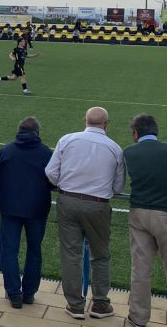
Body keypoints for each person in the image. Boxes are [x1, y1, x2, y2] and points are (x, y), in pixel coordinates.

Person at [44, 107, 124, 320]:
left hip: (68, 200)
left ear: (85, 121)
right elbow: (119, 187)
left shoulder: (67, 140)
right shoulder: (115, 148)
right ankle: (99, 303)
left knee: (71, 254)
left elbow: (51, 173)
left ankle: (75, 305)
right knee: (101, 254)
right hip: (97, 205)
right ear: (107, 124)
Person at [122, 114, 167, 327]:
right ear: (156, 131)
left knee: (140, 271)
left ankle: (137, 319)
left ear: (135, 133)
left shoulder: (129, 151)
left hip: (139, 214)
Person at [0, 117, 54, 309]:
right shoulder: (46, 153)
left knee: (9, 249)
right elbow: (54, 180)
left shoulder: (7, 150)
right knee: (34, 250)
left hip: (10, 207)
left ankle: (13, 293)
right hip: (37, 208)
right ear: (37, 133)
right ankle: (28, 293)